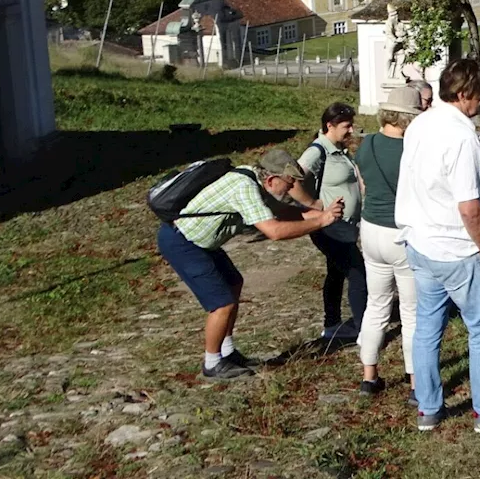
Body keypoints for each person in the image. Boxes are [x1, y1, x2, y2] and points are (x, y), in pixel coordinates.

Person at [396, 58, 480, 433]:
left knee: (427, 327)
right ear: (466, 93)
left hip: (420, 242)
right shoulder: (463, 137)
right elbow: (470, 207)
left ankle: (429, 407)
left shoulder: (420, 124)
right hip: (456, 248)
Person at [156, 149, 343, 379]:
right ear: (272, 180)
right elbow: (273, 231)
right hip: (182, 242)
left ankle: (227, 352)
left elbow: (282, 212)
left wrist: (319, 214)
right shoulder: (244, 187)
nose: (292, 189)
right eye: (290, 182)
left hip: (200, 243)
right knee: (221, 303)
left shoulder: (254, 179)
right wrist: (322, 221)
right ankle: (212, 363)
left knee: (234, 283)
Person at [355, 86, 423, 400]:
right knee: (410, 312)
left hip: (370, 230)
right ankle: (414, 382)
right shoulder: (412, 151)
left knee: (376, 305)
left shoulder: (365, 143)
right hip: (401, 233)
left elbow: (364, 186)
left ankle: (369, 376)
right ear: (408, 118)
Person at [289, 102, 367, 341]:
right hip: (330, 226)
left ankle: (332, 323)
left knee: (336, 272)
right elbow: (292, 180)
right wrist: (314, 204)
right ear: (329, 125)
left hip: (345, 226)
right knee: (358, 273)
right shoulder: (317, 151)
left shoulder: (339, 149)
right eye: (346, 125)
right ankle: (364, 328)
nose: (351, 130)